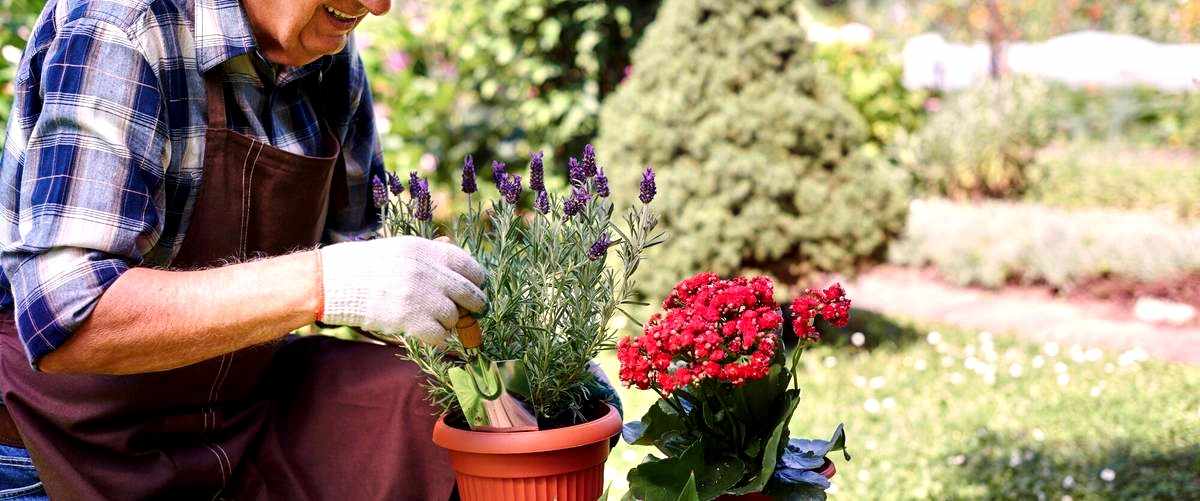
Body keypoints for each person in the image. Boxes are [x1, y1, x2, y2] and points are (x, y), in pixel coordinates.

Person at [0, 0, 488, 498]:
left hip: (238, 409)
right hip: (67, 440)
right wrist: (328, 283)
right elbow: (66, 320)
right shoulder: (121, 27)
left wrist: (451, 312)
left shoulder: (321, 47)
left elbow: (361, 241)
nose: (378, 6)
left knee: (428, 405)